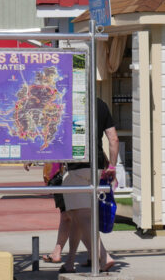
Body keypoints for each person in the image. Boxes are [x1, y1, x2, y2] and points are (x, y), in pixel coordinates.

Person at [61, 97, 119, 273]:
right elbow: (113, 139)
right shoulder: (100, 103)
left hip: (77, 166)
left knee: (83, 217)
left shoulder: (67, 101)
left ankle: (103, 256)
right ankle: (70, 262)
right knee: (79, 217)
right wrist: (112, 166)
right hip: (98, 168)